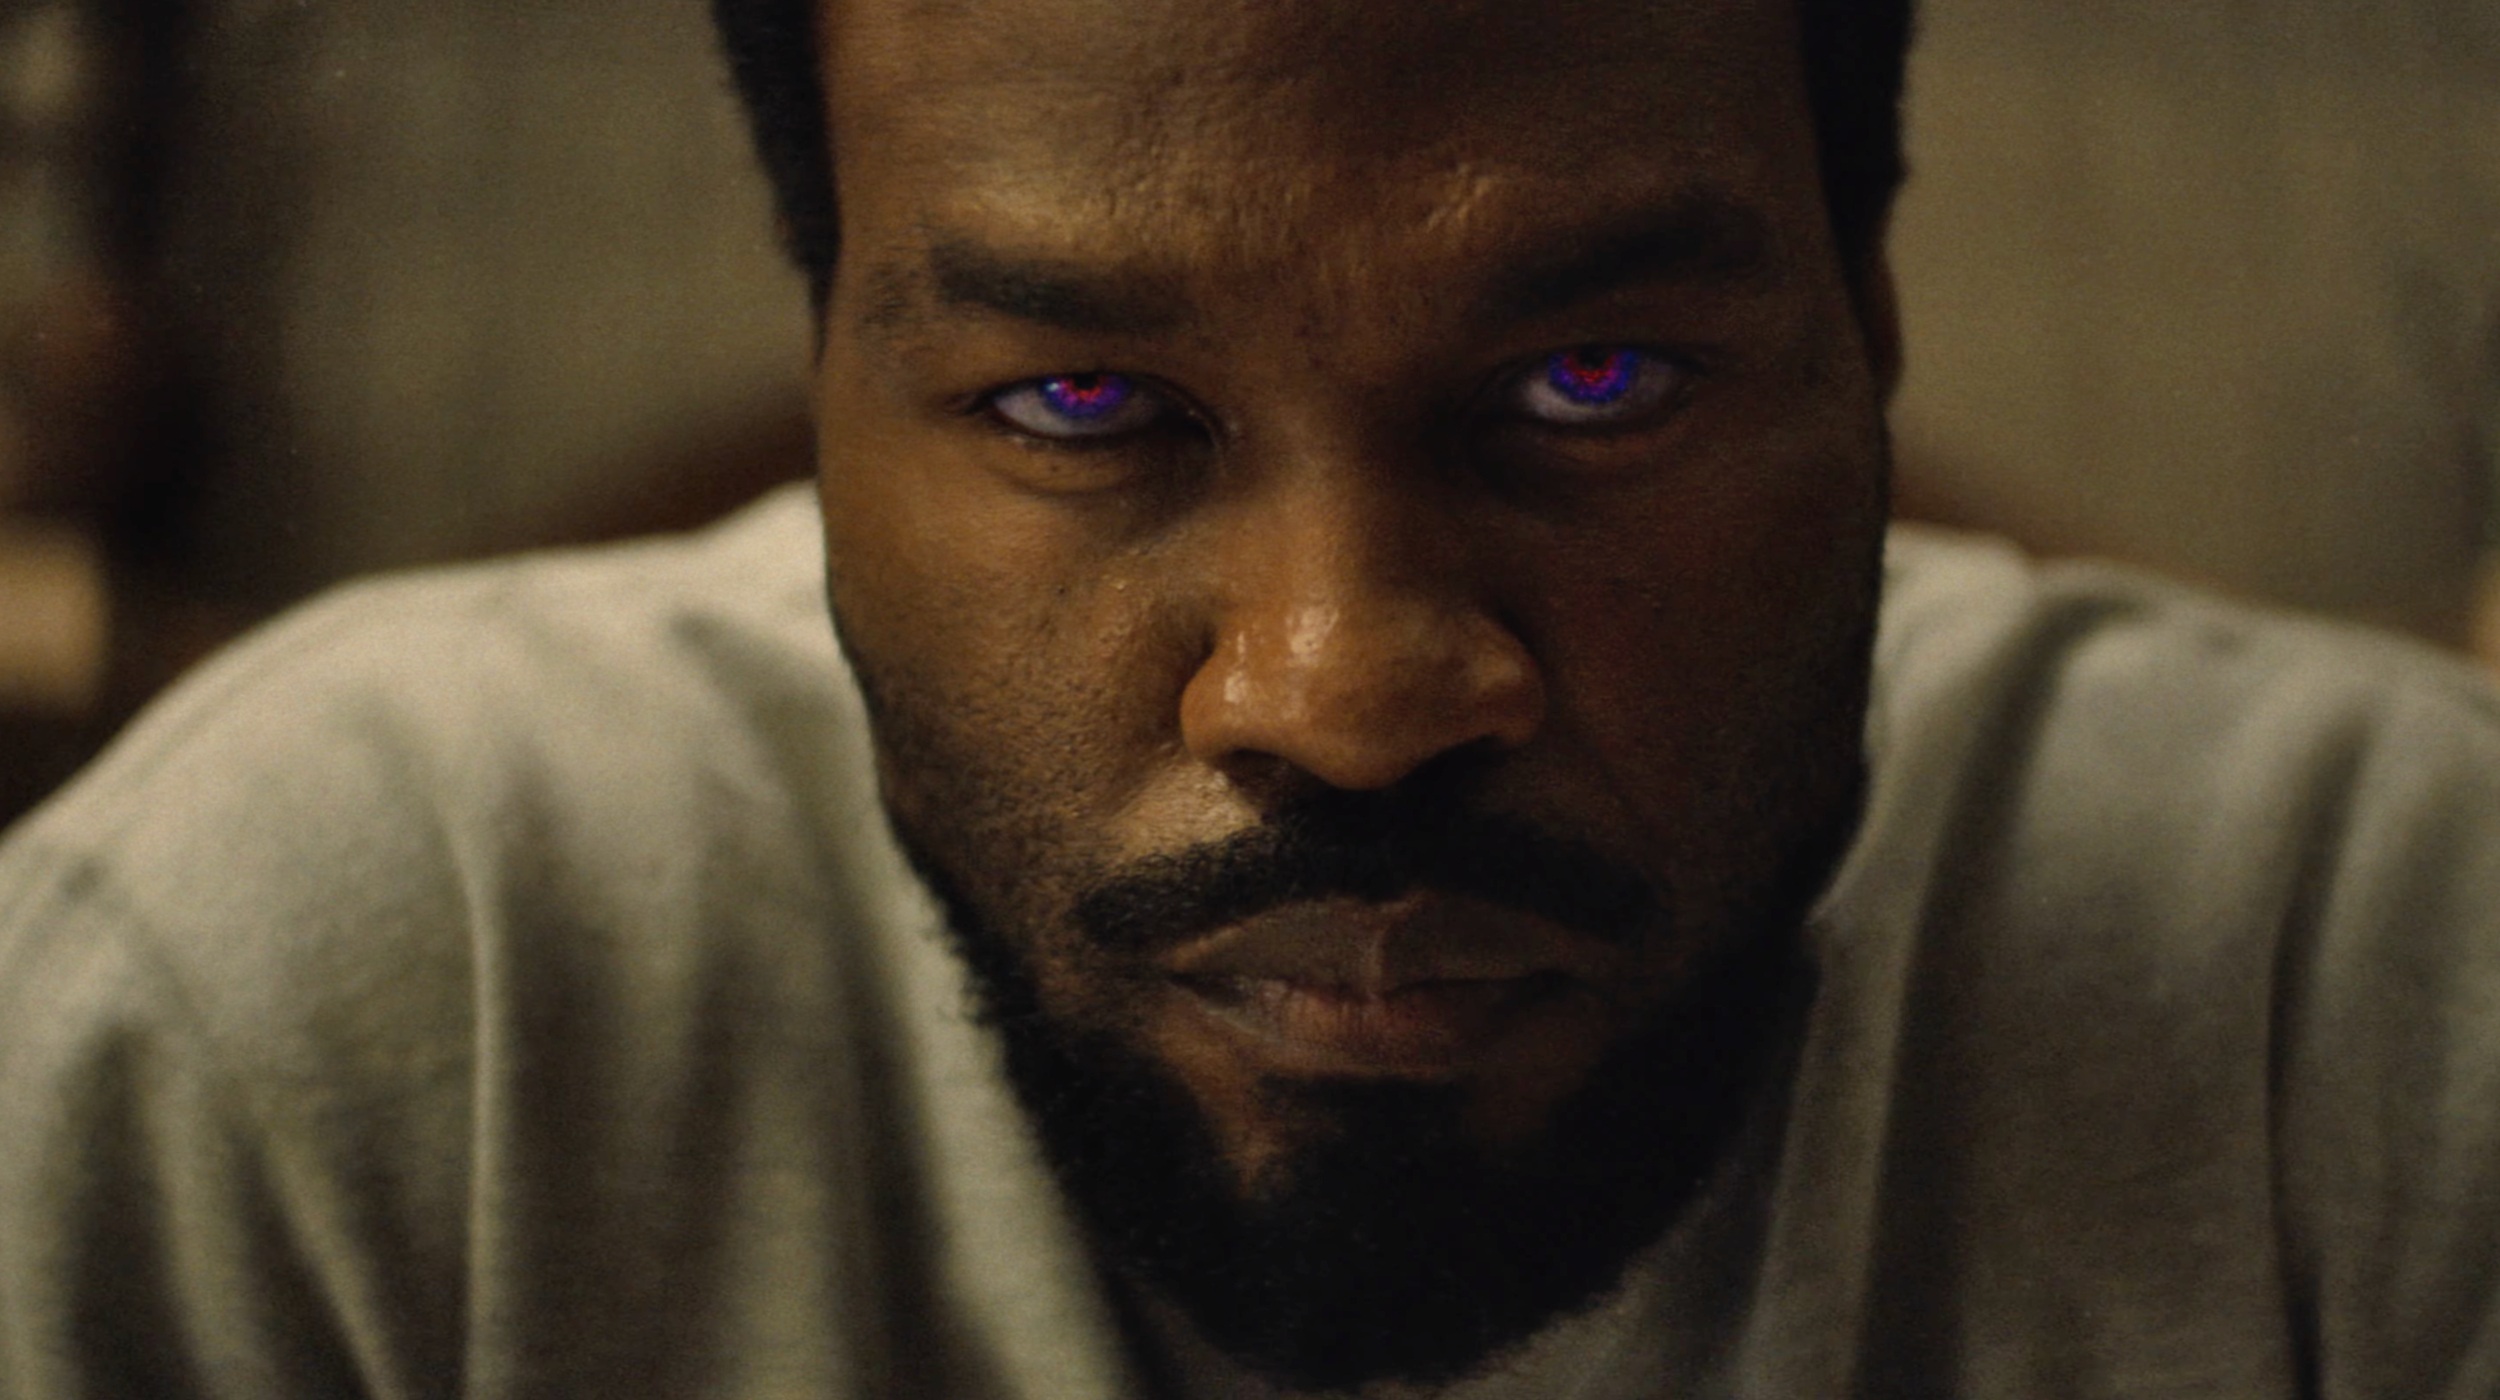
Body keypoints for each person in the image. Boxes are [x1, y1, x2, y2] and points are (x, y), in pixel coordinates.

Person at [1, 0, 2496, 1395]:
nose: (1348, 694)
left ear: (1862, 336)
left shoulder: (2375, 988)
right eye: (1081, 405)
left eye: (1600, 378)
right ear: (827, 386)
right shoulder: (305, 1011)